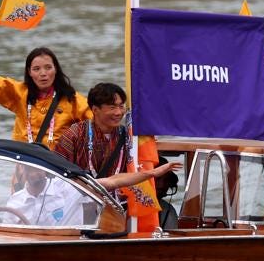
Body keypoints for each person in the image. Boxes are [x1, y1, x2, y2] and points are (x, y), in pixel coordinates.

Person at [53, 82, 181, 212]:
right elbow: (57, 174)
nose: (119, 112)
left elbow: (138, 168)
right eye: (112, 107)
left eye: (121, 106)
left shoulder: (129, 138)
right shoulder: (75, 134)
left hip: (119, 209)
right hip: (77, 206)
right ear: (95, 109)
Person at [0, 42, 91, 150]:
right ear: (29, 72)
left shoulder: (72, 99)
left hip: (57, 167)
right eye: (36, 69)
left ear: (55, 69)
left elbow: (99, 122)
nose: (43, 73)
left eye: (48, 67)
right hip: (24, 165)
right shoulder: (19, 93)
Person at [2, 165, 86, 226]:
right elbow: (5, 235)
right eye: (28, 169)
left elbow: (96, 187)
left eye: (36, 168)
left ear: (46, 170)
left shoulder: (66, 187)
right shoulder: (14, 202)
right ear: (23, 170)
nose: (33, 174)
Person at [154, 156, 180, 230]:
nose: (162, 185)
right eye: (158, 179)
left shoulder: (169, 210)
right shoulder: (128, 208)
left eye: (166, 180)